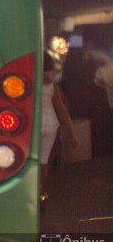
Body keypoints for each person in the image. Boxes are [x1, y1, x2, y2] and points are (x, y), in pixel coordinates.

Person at [41, 51, 79, 203]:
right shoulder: (51, 83)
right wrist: (72, 134)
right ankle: (42, 193)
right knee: (43, 161)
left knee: (32, 162)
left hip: (33, 125)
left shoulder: (26, 80)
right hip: (50, 124)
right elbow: (61, 110)